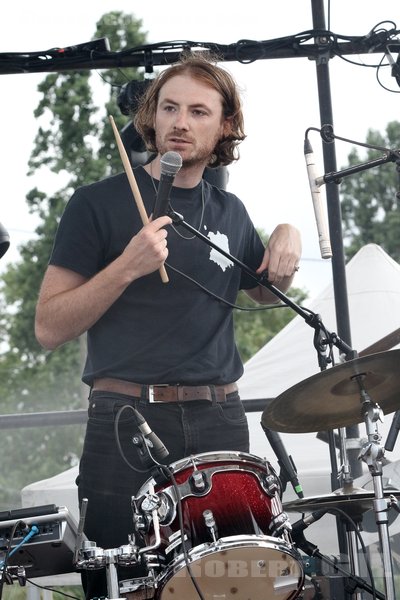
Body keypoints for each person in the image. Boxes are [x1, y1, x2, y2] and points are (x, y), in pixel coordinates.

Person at [35, 52, 301, 599]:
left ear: (225, 126)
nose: (181, 122)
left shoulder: (229, 209)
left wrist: (287, 231)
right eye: (170, 108)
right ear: (152, 118)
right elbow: (48, 326)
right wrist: (126, 267)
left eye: (199, 111)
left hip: (222, 420)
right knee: (120, 584)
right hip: (125, 422)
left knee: (236, 583)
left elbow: (263, 285)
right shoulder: (97, 204)